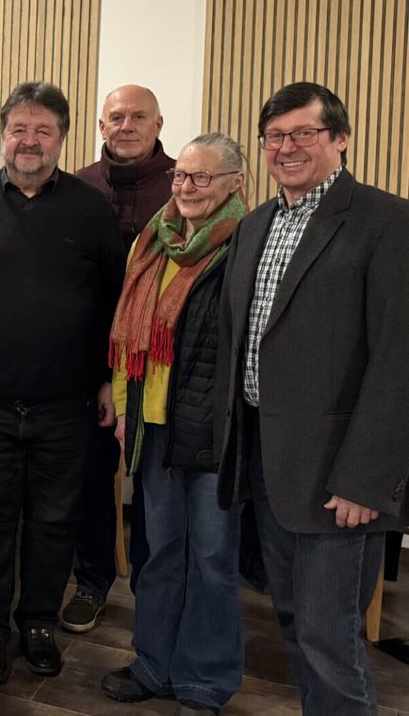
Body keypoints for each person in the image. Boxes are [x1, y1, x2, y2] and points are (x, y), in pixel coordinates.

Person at [216, 82, 409, 715]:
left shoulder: (387, 222)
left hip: (338, 476)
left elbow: (397, 361)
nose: (288, 148)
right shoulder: (254, 226)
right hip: (269, 463)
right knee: (295, 622)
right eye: (276, 137)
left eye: (305, 134)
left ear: (341, 139)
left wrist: (365, 479)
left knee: (329, 637)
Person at [0, 81, 125, 682]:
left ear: (63, 139)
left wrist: (106, 380)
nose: (30, 141)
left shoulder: (93, 209)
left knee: (54, 518)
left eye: (44, 130)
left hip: (66, 402)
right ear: (2, 134)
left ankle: (38, 622)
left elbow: (117, 303)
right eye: (19, 128)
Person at [98, 134, 248, 716]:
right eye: (181, 176)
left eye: (201, 178)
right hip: (150, 422)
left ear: (236, 182)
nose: (185, 187)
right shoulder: (151, 240)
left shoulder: (246, 244)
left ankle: (205, 681)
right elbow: (124, 332)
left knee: (211, 558)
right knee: (159, 550)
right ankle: (154, 663)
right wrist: (123, 403)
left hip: (212, 428)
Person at [63, 83, 175, 633]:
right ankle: (92, 582)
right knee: (91, 481)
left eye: (138, 117)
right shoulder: (76, 189)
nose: (126, 126)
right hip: (88, 368)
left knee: (157, 488)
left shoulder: (187, 186)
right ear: (100, 126)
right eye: (115, 117)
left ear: (158, 124)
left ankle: (158, 599)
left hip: (165, 372)